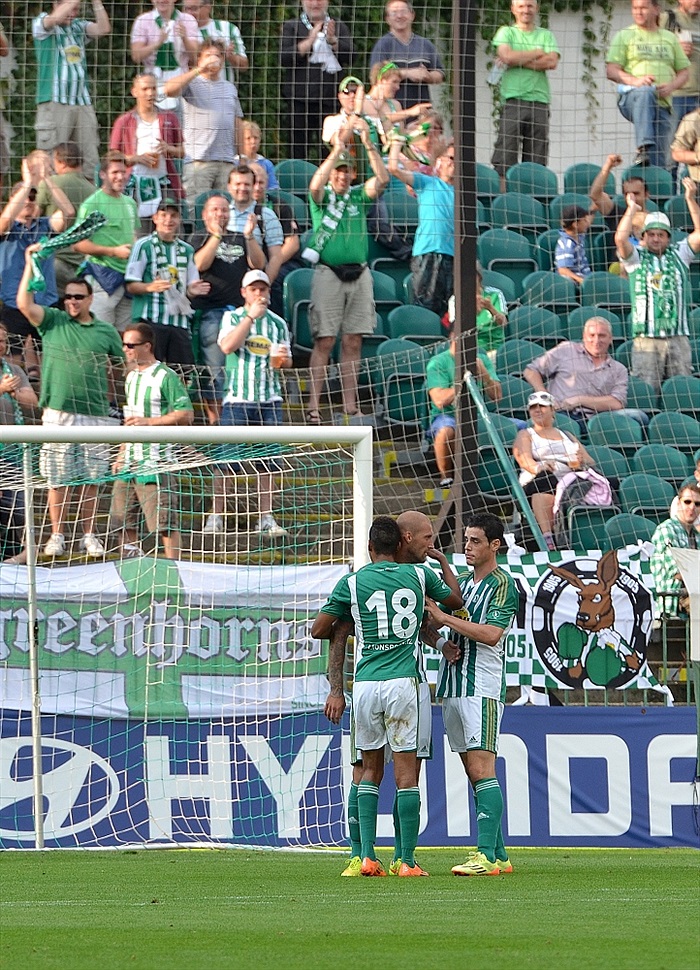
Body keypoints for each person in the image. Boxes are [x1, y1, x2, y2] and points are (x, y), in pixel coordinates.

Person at [313, 515, 460, 876]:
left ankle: (365, 856)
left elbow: (319, 630)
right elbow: (454, 601)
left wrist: (345, 616)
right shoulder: (419, 576)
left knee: (367, 771)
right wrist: (441, 562)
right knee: (407, 776)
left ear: (368, 547)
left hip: (364, 685)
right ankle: (407, 861)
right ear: (399, 546)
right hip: (403, 684)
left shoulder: (353, 581)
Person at [425, 512, 519, 876]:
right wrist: (440, 640)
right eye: (466, 539)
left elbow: (492, 634)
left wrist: (446, 620)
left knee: (483, 770)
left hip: (482, 686)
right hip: (452, 686)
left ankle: (483, 857)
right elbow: (431, 619)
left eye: (476, 540)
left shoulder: (503, 584)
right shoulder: (461, 581)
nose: (468, 546)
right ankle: (499, 854)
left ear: (495, 545)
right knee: (472, 771)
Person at [17, 249, 125, 558]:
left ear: (91, 299)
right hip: (58, 414)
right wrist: (29, 264)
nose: (73, 302)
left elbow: (120, 368)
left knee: (91, 479)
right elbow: (24, 303)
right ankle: (57, 535)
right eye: (69, 297)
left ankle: (88, 535)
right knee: (58, 479)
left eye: (79, 297)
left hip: (95, 414)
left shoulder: (105, 331)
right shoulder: (52, 321)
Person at [305, 127, 389, 423]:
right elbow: (315, 185)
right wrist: (335, 151)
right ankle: (314, 405)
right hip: (329, 273)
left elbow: (382, 180)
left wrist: (368, 145)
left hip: (360, 273)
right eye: (337, 172)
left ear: (352, 175)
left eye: (346, 172)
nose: (341, 177)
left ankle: (350, 406)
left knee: (353, 340)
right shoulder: (322, 199)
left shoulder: (358, 198)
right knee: (324, 340)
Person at [207, 270, 292, 538]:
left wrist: (282, 360)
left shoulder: (278, 323)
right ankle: (217, 515)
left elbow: (286, 360)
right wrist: (250, 318)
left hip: (270, 398)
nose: (259, 294)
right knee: (226, 461)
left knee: (268, 461)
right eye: (253, 289)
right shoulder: (231, 317)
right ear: (244, 292)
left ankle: (265, 516)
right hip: (237, 397)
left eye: (263, 289)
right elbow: (227, 346)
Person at [110, 321, 193, 560]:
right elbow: (130, 420)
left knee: (165, 525)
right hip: (129, 464)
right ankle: (132, 570)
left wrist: (150, 422)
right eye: (123, 344)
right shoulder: (130, 377)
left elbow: (186, 414)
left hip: (157, 463)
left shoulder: (165, 376)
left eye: (131, 345)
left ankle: (173, 575)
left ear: (147, 346)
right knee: (122, 521)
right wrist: (121, 452)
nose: (125, 349)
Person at [190, 191, 264, 425]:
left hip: (239, 315)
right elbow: (200, 264)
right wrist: (215, 236)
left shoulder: (241, 238)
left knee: (237, 370)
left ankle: (235, 420)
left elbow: (258, 265)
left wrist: (250, 236)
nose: (220, 214)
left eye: (224, 209)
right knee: (215, 370)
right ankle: (216, 423)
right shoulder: (198, 237)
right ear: (204, 215)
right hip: (212, 313)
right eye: (215, 209)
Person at [615, 191, 700, 391]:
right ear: (643, 236)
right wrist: (632, 209)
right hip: (646, 339)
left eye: (660, 235)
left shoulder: (681, 254)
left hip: (677, 337)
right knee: (646, 389)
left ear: (668, 238)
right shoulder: (635, 259)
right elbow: (620, 239)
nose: (655, 239)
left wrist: (690, 199)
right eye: (651, 234)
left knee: (681, 390)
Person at [0, 152, 74, 374]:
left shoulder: (45, 225)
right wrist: (28, 183)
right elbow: (4, 221)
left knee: (49, 358)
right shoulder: (7, 226)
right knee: (13, 359)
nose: (29, 202)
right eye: (25, 198)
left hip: (45, 302)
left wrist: (47, 179)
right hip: (14, 303)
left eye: (33, 197)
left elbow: (69, 212)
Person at [125, 197, 210, 369]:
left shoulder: (187, 250)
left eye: (173, 215)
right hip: (150, 320)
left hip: (179, 321)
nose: (168, 220)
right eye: (163, 215)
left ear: (179, 219)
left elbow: (189, 288)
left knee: (182, 373)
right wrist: (150, 287)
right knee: (145, 369)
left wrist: (193, 290)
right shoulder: (143, 245)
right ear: (155, 218)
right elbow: (131, 285)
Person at [32, 0, 111, 179]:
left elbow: (104, 29)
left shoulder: (78, 27)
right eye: (70, 8)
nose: (72, 13)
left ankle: (89, 202)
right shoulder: (42, 22)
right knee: (53, 159)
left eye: (76, 9)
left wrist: (96, 2)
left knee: (90, 158)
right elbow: (54, 19)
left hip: (82, 100)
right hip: (54, 100)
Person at [606, 0, 689, 169]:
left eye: (643, 8)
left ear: (656, 9)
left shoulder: (669, 38)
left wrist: (671, 86)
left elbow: (684, 72)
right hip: (632, 98)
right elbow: (612, 70)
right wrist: (635, 81)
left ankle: (658, 191)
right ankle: (642, 148)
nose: (638, 12)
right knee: (644, 91)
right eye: (635, 8)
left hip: (662, 103)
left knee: (660, 162)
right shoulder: (624, 35)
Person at [490, 0, 560, 192]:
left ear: (537, 8)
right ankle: (504, 201)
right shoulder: (506, 32)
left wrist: (516, 59)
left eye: (529, 5)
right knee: (506, 154)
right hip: (513, 100)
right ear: (513, 9)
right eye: (521, 6)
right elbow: (506, 56)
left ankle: (533, 203)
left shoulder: (546, 34)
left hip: (540, 101)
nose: (525, 10)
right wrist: (537, 52)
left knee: (537, 158)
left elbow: (552, 61)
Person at [513, 390, 596, 549]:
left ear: (552, 410)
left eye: (542, 407)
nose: (537, 410)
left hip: (568, 481)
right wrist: (540, 467)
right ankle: (548, 538)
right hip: (537, 480)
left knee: (607, 482)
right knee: (546, 478)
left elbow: (589, 461)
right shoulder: (526, 434)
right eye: (533, 407)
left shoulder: (568, 435)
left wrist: (581, 461)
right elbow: (524, 460)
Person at [164, 39, 244, 203]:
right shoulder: (192, 83)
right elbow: (169, 90)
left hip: (226, 162)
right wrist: (199, 69)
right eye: (208, 55)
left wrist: (241, 157)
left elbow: (237, 122)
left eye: (218, 55)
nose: (214, 58)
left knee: (227, 210)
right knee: (197, 209)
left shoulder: (230, 88)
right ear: (199, 59)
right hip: (198, 161)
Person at [523, 317, 630, 434]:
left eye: (602, 335)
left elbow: (617, 403)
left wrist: (580, 400)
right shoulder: (566, 350)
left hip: (595, 421)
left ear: (610, 339)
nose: (596, 340)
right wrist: (544, 395)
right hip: (560, 415)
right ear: (584, 337)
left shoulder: (619, 369)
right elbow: (530, 371)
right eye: (592, 335)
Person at [73, 150, 140, 333]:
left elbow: (133, 234)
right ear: (103, 175)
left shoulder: (130, 203)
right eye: (114, 172)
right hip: (102, 278)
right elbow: (78, 243)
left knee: (124, 338)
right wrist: (113, 251)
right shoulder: (92, 204)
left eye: (123, 172)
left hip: (127, 279)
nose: (120, 177)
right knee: (100, 334)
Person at [388, 135, 454, 318]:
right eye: (451, 158)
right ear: (440, 160)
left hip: (454, 256)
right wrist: (396, 145)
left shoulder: (463, 194)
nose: (455, 164)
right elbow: (394, 168)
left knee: (452, 313)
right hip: (428, 253)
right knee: (425, 309)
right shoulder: (427, 183)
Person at [109, 72, 185, 230]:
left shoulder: (169, 118)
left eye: (153, 89)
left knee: (171, 228)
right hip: (135, 184)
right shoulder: (124, 121)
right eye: (145, 89)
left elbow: (183, 150)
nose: (150, 93)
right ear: (134, 92)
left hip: (165, 182)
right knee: (141, 231)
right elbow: (112, 156)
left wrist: (169, 148)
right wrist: (135, 158)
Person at [280, 0, 353, 160]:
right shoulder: (291, 26)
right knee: (296, 151)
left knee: (331, 150)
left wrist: (333, 41)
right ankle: (298, 185)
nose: (315, 3)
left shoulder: (338, 25)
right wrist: (310, 39)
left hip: (330, 101)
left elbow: (351, 56)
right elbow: (284, 58)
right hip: (298, 101)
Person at [426, 335, 503, 488]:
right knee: (446, 431)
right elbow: (439, 400)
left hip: (479, 415)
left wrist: (484, 375)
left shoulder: (482, 359)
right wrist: (464, 381)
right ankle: (446, 478)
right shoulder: (438, 362)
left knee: (520, 427)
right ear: (454, 338)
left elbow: (497, 396)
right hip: (447, 415)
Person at [0, 322, 39, 565]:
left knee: (19, 510)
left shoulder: (14, 369)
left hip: (13, 455)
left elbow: (32, 401)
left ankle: (14, 561)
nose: (1, 345)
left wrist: (13, 391)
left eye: (3, 340)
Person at [35, 142, 94, 296]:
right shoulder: (93, 191)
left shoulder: (50, 184)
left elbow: (34, 216)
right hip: (83, 263)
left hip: (56, 259)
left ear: (60, 161)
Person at [369, 1, 445, 109]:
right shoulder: (382, 45)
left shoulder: (426, 44)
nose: (399, 16)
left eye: (403, 11)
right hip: (391, 110)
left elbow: (440, 74)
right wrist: (409, 73)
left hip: (422, 110)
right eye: (394, 13)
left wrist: (428, 76)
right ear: (387, 19)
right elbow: (376, 76)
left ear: (412, 15)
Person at [250, 162, 302, 318]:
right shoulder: (239, 209)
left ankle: (277, 321)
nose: (258, 187)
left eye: (261, 182)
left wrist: (271, 264)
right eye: (254, 183)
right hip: (252, 262)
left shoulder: (279, 206)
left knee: (276, 278)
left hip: (283, 261)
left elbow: (292, 244)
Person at [130, 0, 201, 109]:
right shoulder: (143, 20)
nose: (162, 0)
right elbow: (136, 56)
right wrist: (157, 43)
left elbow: (195, 57)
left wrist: (185, 38)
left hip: (181, 81)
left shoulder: (187, 20)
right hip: (152, 82)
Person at [650, 482, 700, 612]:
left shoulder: (697, 536)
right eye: (687, 502)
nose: (692, 507)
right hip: (673, 597)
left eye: (697, 504)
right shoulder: (666, 530)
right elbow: (677, 571)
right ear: (678, 503)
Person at [180, 0, 249, 82]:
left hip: (224, 91)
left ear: (208, 7)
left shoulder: (228, 29)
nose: (189, 13)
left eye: (194, 8)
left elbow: (244, 66)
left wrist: (229, 56)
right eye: (186, 8)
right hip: (192, 91)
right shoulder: (180, 31)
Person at [660, 0, 700, 126]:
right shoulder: (667, 18)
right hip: (676, 95)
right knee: (671, 142)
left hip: (698, 95)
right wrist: (675, 52)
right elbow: (652, 53)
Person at [235, 120, 278, 191]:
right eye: (248, 138)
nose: (253, 141)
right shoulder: (234, 163)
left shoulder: (266, 164)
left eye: (256, 138)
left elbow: (273, 187)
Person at [555, 204, 593, 285]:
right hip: (575, 281)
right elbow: (562, 269)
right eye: (584, 220)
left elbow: (589, 220)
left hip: (586, 276)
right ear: (575, 224)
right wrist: (581, 280)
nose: (587, 223)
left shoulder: (579, 236)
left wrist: (594, 208)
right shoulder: (566, 244)